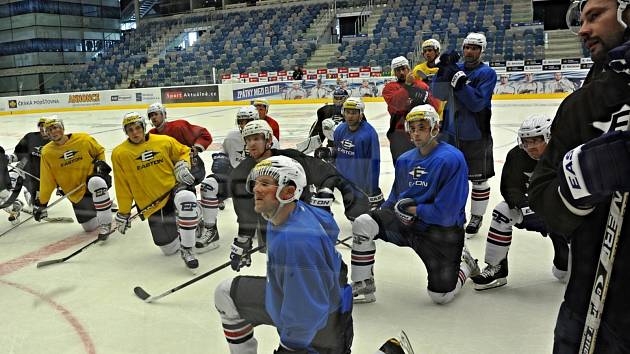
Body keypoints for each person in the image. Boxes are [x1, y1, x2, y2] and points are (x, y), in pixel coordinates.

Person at [529, 0, 630, 351]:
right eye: (582, 19)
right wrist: (583, 177)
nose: (583, 29)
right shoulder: (587, 102)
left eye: (595, 15)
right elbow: (544, 202)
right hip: (592, 301)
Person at [214, 155, 353, 354]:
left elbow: (307, 313)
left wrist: (288, 348)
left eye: (265, 183)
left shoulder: (297, 242)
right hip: (316, 304)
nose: (256, 189)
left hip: (319, 331)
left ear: (288, 192)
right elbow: (329, 227)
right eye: (256, 183)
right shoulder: (286, 213)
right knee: (225, 293)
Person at [349, 104, 478, 305]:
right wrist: (381, 216)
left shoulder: (451, 159)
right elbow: (394, 199)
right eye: (413, 128)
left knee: (441, 296)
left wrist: (412, 210)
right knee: (364, 222)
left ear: (435, 129)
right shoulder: (404, 160)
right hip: (407, 224)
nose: (416, 133)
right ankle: (362, 283)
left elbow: (447, 214)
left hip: (441, 231)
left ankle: (466, 266)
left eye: (422, 128)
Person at [228, 120, 370, 273]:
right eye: (248, 140)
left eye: (256, 138)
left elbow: (327, 173)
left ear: (268, 140)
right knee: (285, 272)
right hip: (274, 231)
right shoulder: (241, 172)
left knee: (329, 267)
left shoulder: (291, 159)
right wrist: (244, 239)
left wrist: (327, 190)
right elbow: (245, 212)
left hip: (305, 223)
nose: (251, 144)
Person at [471, 115, 570, 290]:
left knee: (563, 273)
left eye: (535, 141)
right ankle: (497, 268)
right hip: (534, 211)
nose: (530, 147)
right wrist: (525, 206)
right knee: (502, 212)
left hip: (564, 215)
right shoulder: (516, 155)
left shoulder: (566, 156)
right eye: (526, 141)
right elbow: (510, 188)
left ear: (548, 137)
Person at [111, 112, 202, 272]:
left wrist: (182, 163)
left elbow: (185, 151)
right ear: (126, 132)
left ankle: (188, 248)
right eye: (130, 129)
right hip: (152, 202)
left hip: (174, 189)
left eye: (138, 128)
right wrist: (124, 212)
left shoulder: (164, 141)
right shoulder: (120, 153)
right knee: (168, 249)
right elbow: (122, 184)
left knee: (186, 197)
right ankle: (183, 224)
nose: (135, 132)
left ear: (144, 128)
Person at [433, 32, 497, 237]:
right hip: (451, 134)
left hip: (477, 135)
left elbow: (477, 102)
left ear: (481, 50)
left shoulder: (487, 73)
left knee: (479, 179)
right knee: (452, 178)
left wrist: (458, 81)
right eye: (467, 47)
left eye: (475, 48)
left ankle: (477, 216)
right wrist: (442, 71)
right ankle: (455, 213)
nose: (469, 51)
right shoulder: (456, 68)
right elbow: (438, 94)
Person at [198, 106, 279, 253]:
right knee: (208, 185)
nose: (243, 125)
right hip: (236, 180)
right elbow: (223, 154)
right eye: (241, 121)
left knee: (257, 231)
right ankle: (211, 230)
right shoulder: (231, 137)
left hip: (259, 183)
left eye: (247, 121)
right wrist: (220, 159)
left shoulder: (268, 138)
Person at [36, 118, 114, 239]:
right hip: (75, 192)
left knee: (96, 182)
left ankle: (105, 221)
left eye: (56, 127)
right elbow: (47, 180)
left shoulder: (83, 139)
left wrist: (100, 165)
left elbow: (99, 151)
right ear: (47, 133)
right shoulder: (47, 152)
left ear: (62, 128)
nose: (54, 131)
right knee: (89, 227)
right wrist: (42, 203)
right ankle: (104, 205)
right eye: (50, 130)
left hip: (91, 180)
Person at [382, 56, 440, 165]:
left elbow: (435, 107)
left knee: (422, 166)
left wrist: (426, 98)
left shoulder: (421, 85)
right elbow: (396, 104)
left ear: (409, 69)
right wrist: (408, 86)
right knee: (401, 166)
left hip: (421, 131)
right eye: (398, 70)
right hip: (399, 134)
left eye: (404, 69)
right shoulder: (389, 88)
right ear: (394, 73)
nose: (402, 72)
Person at [332, 97, 383, 208]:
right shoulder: (339, 130)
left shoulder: (369, 134)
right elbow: (336, 152)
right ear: (343, 113)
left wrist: (372, 188)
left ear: (361, 114)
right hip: (344, 184)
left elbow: (374, 163)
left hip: (361, 186)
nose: (350, 116)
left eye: (354, 113)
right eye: (347, 112)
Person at [147, 102, 212, 185]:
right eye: (151, 115)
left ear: (164, 115)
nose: (153, 117)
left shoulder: (179, 126)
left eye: (156, 114)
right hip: (170, 171)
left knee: (185, 191)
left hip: (192, 166)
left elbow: (205, 135)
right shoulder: (151, 135)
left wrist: (196, 148)